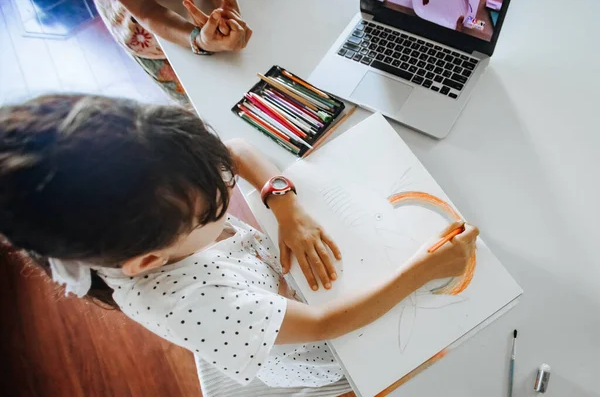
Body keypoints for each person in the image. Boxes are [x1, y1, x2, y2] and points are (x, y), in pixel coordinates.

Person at [0, 94, 478, 396]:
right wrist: (423, 269)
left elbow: (235, 148)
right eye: (215, 207)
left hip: (285, 284)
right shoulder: (180, 301)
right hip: (311, 347)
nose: (230, 188)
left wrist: (283, 203)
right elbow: (324, 325)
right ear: (149, 260)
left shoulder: (156, 166)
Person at [93, 0, 251, 105]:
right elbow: (144, 8)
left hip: (197, 9)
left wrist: (226, 8)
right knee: (203, 102)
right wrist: (198, 40)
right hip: (154, 33)